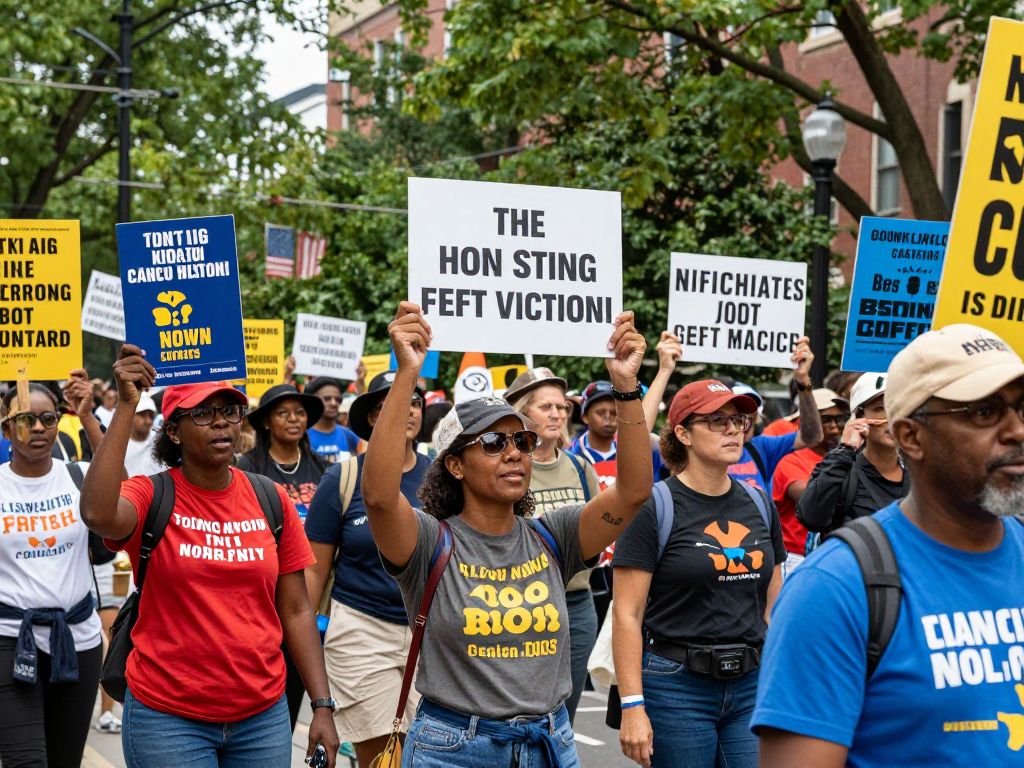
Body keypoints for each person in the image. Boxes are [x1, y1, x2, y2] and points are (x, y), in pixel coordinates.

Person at [362, 301, 652, 767]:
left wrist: (626, 388)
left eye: (523, 440)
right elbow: (378, 496)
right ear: (454, 464)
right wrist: (406, 375)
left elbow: (634, 492)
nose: (514, 452)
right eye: (494, 442)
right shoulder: (428, 542)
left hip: (549, 745)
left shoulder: (553, 535)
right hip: (453, 751)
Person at [753, 323, 1024, 766]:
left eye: (1023, 409)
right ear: (911, 437)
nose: (1016, 431)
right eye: (983, 412)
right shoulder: (833, 590)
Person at [80, 345, 340, 767]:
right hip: (168, 718)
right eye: (202, 413)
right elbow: (97, 513)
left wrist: (322, 704)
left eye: (229, 411)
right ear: (175, 431)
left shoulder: (269, 498)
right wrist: (126, 406)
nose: (220, 421)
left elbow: (295, 609)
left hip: (263, 716)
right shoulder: (151, 494)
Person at [613, 380, 786, 768]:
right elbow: (626, 614)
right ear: (683, 433)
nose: (733, 429)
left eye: (739, 420)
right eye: (717, 421)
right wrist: (632, 706)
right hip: (676, 687)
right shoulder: (654, 507)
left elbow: (774, 607)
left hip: (749, 684)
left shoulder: (759, 502)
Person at [304, 371, 430, 768]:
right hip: (361, 632)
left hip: (430, 633)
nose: (407, 410)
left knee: (425, 753)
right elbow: (313, 573)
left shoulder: (444, 477)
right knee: (384, 758)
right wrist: (296, 646)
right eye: (390, 403)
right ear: (374, 418)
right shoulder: (341, 479)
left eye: (414, 401)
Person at [0, 382, 104, 766]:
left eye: (48, 418)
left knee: (64, 761)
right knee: (25, 760)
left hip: (77, 642)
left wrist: (89, 415)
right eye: (27, 419)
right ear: (6, 428)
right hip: (9, 640)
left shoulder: (79, 476)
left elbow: (124, 496)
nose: (40, 427)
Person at [505, 367, 602, 724]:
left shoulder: (580, 468)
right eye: (546, 406)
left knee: (564, 718)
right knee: (516, 716)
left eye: (562, 407)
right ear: (521, 412)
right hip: (516, 605)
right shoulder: (507, 466)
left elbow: (598, 530)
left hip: (575, 605)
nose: (557, 414)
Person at [236, 382, 329, 728]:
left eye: (300, 412)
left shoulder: (324, 470)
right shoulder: (247, 468)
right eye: (283, 412)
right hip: (264, 602)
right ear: (265, 423)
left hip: (313, 606)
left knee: (299, 698)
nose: (294, 419)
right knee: (269, 709)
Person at [797, 372, 909, 536]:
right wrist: (846, 448)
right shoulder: (841, 468)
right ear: (859, 416)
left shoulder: (920, 473)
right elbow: (811, 518)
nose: (892, 417)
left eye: (898, 407)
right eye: (880, 408)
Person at [725, 337, 823, 493]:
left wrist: (803, 380)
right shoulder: (698, 451)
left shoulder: (760, 448)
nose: (741, 423)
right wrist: (669, 370)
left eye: (748, 410)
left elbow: (812, 437)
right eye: (734, 413)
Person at [769, 389, 847, 576]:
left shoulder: (849, 457)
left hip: (836, 554)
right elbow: (813, 500)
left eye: (840, 419)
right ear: (806, 423)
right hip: (796, 558)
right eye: (826, 419)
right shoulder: (790, 461)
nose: (835, 427)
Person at [306, 377, 361, 463]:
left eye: (337, 399)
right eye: (327, 399)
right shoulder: (302, 437)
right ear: (314, 401)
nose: (334, 403)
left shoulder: (348, 436)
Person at [123, 392, 163, 478]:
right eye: (142, 415)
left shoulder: (160, 441)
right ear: (131, 416)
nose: (148, 421)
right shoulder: (120, 444)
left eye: (151, 416)